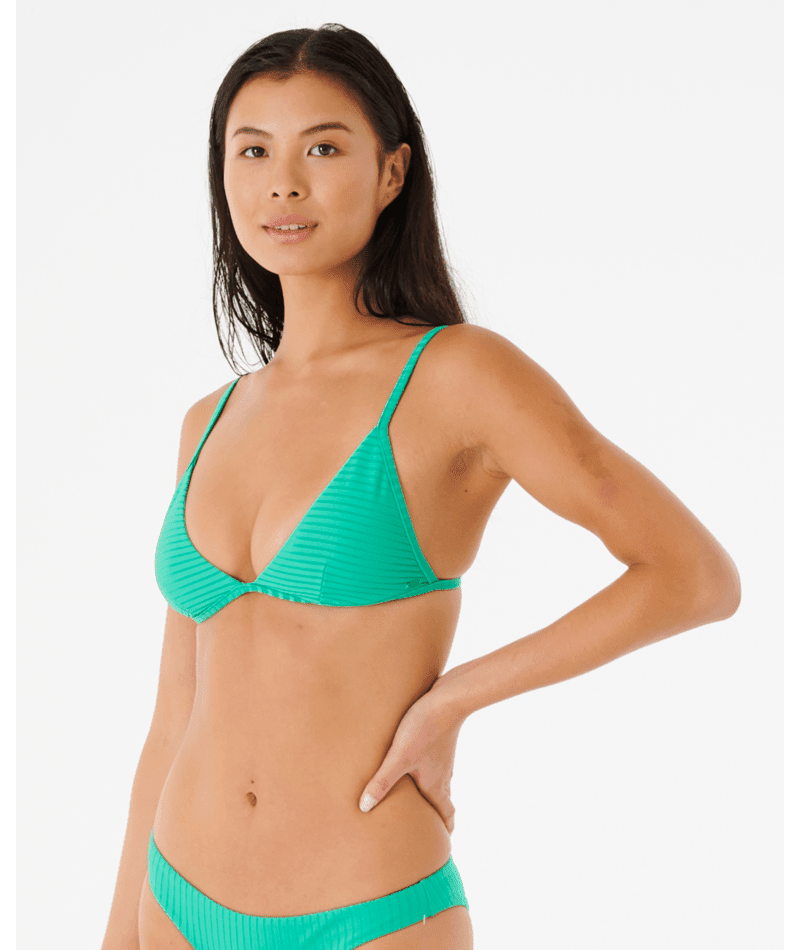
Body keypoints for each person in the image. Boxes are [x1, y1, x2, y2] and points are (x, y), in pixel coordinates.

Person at [100, 23, 741, 950]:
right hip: (175, 897)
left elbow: (694, 576)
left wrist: (452, 700)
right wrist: (118, 932)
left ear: (393, 172)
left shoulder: (458, 377)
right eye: (253, 150)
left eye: (324, 148)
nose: (284, 183)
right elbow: (172, 721)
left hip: (371, 905)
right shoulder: (208, 421)